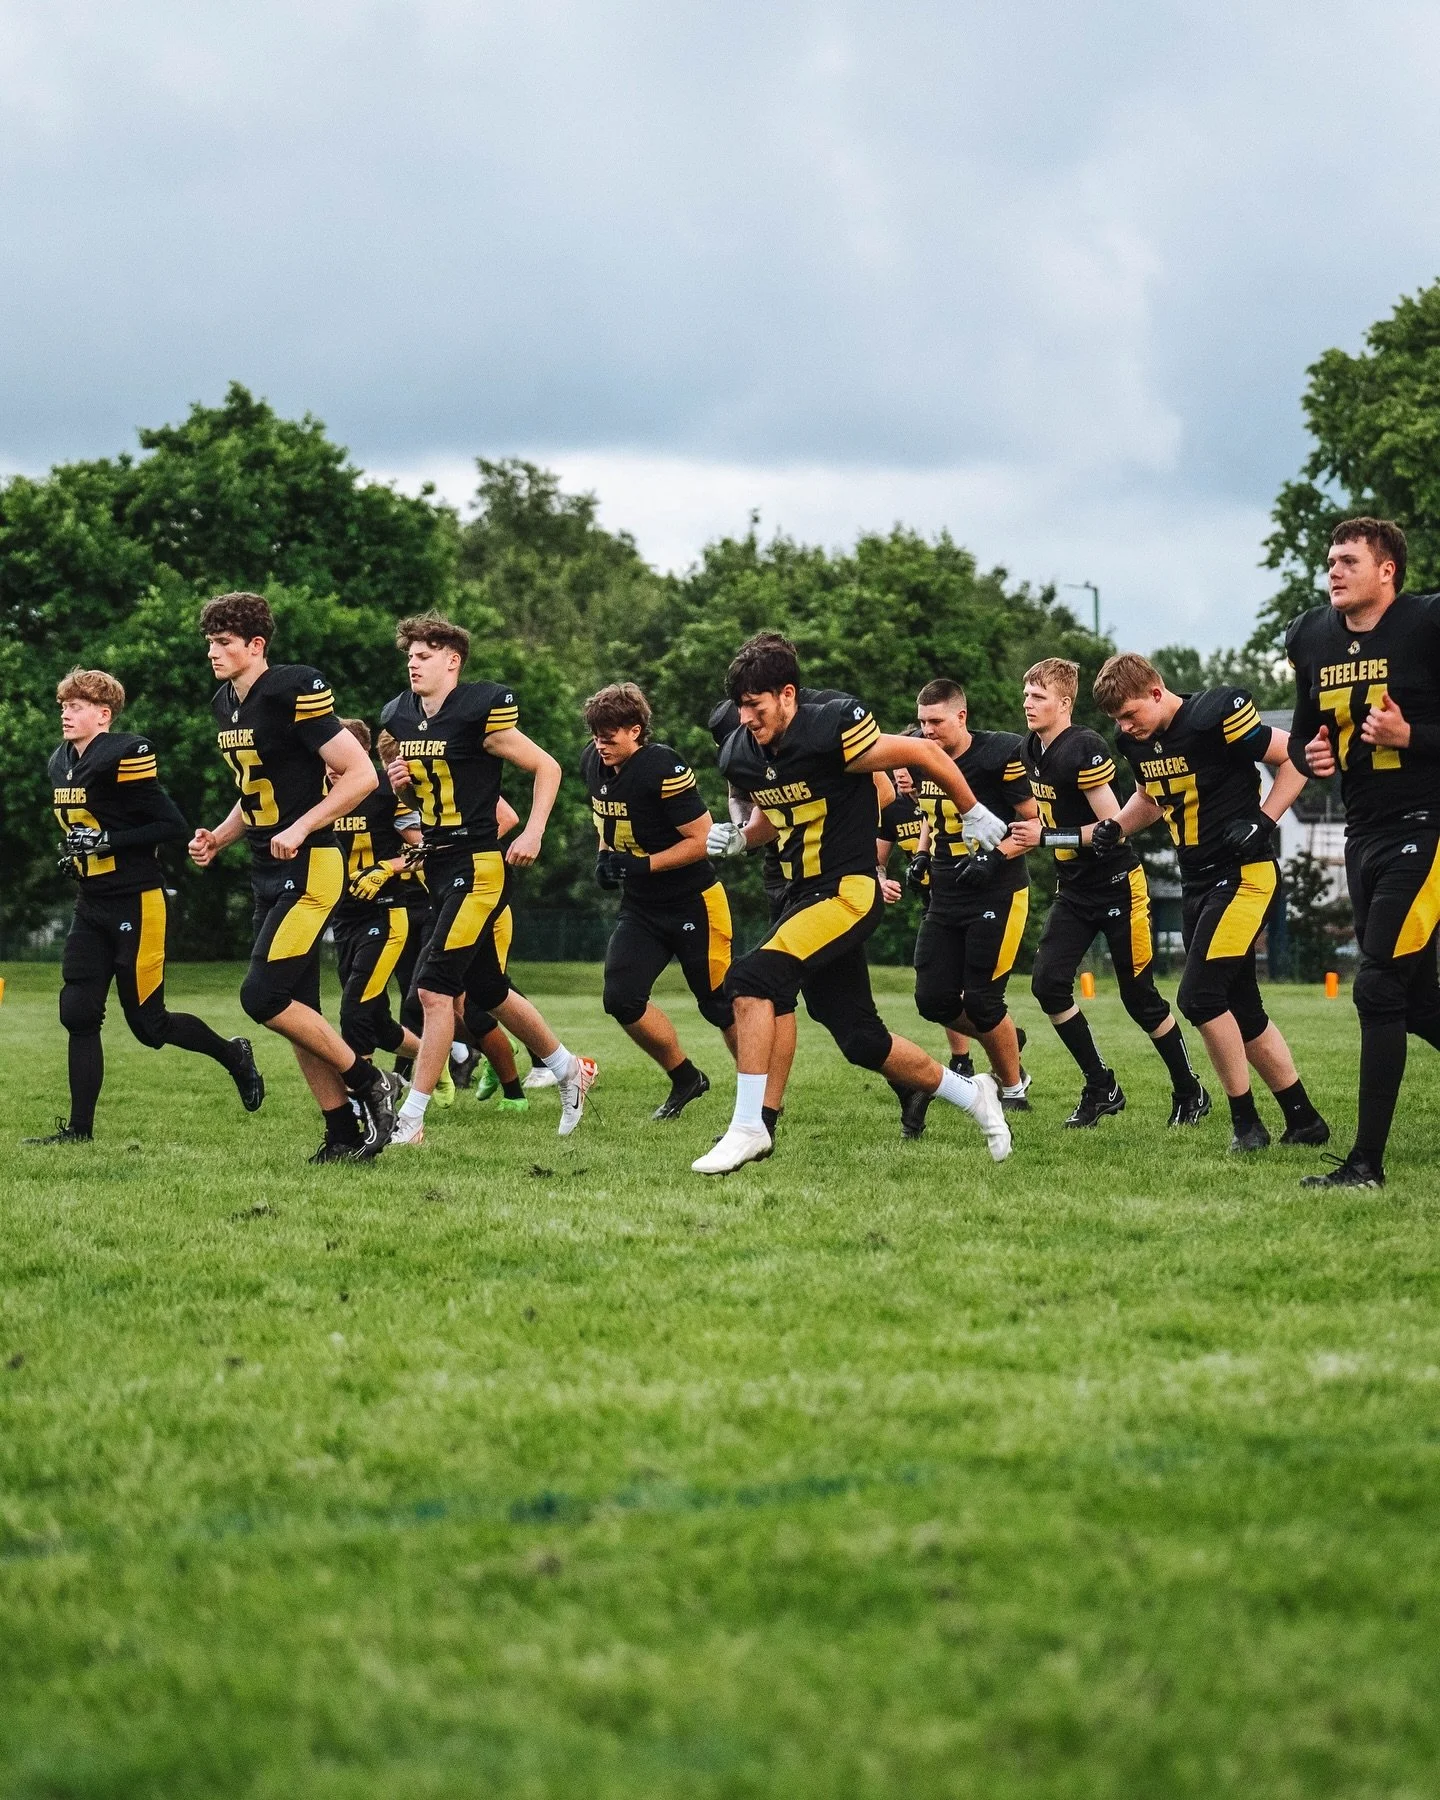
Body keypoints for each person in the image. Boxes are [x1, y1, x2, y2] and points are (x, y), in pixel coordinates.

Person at [695, 634, 1013, 1174]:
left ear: (788, 695)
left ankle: (750, 1126)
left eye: (755, 705)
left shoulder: (832, 727)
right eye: (740, 707)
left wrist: (972, 810)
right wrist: (743, 838)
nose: (746, 718)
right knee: (860, 1038)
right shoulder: (741, 752)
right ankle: (973, 1094)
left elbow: (922, 752)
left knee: (749, 980)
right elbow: (774, 812)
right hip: (801, 895)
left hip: (847, 889)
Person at [188, 593, 402, 1162]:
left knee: (262, 997)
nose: (213, 652)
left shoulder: (291, 688)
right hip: (267, 867)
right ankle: (341, 1132)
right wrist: (219, 836)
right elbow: (256, 790)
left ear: (256, 645)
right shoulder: (224, 703)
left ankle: (371, 1082)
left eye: (224, 642)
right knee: (297, 1010)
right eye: (210, 642)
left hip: (310, 868)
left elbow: (361, 773)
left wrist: (304, 825)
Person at [1095, 653, 1328, 1152]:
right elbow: (1152, 797)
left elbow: (1297, 757)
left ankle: (1246, 1123)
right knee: (1243, 1007)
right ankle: (1305, 1120)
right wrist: (1117, 825)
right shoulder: (1136, 742)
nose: (1125, 727)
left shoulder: (1212, 715)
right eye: (1117, 719)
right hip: (1197, 881)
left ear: (1156, 692)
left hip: (1244, 875)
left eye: (1130, 714)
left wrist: (1265, 820)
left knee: (1200, 998)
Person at [379, 613, 596, 1146]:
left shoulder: (479, 710)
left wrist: (534, 831)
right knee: (489, 989)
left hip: (477, 866)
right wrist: (402, 787)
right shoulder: (400, 716)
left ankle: (411, 1119)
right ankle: (568, 1068)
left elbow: (547, 767)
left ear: (453, 661)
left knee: (432, 990)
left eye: (425, 655)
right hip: (438, 864)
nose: (413, 663)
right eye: (410, 655)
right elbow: (421, 798)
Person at [24, 668, 263, 1145]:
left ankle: (233, 1054)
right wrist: (79, 854)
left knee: (149, 1026)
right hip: (91, 903)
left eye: (76, 706)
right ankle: (79, 1130)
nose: (65, 714)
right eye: (64, 706)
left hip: (136, 901)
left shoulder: (126, 753)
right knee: (78, 1011)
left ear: (103, 715)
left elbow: (171, 825)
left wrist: (106, 842)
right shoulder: (60, 761)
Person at [1286, 517, 1440, 1187]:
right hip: (1363, 830)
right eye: (1330, 560)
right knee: (1419, 1002)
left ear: (1387, 570)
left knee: (1376, 984)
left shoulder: (1426, 625)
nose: (1334, 570)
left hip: (1427, 825)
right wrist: (1310, 756)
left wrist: (1413, 736)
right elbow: (1302, 736)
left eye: (1349, 560)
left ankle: (1365, 1164)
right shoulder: (1312, 636)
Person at [1008, 658, 1206, 1127]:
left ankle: (1189, 1089)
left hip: (1118, 887)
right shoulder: (1029, 749)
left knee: (1140, 999)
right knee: (1047, 985)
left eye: (1038, 696)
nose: (1028, 703)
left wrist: (1046, 837)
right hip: (1074, 890)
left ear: (1064, 703)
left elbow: (1110, 828)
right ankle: (1101, 1087)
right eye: (1026, 694)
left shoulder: (1085, 747)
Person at [582, 682, 736, 1119]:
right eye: (596, 735)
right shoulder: (594, 761)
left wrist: (642, 865)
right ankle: (686, 1077)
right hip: (642, 907)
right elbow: (605, 817)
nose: (600, 744)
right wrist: (604, 857)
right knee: (621, 998)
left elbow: (703, 840)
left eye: (610, 736)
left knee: (719, 1004)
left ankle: (759, 1103)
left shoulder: (661, 766)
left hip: (693, 901)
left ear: (636, 730)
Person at [901, 679, 1036, 1138]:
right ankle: (1004, 1037)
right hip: (946, 890)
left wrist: (995, 858)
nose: (927, 730)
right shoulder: (920, 754)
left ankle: (1013, 1088)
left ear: (961, 716)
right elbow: (929, 812)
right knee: (932, 999)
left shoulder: (999, 753)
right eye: (922, 722)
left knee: (982, 999)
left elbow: (1034, 822)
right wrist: (922, 854)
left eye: (936, 721)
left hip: (997, 890)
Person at [330, 718, 428, 1073]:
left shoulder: (386, 792)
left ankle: (367, 1094)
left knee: (353, 1012)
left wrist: (386, 868)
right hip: (343, 918)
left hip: (384, 914)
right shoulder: (315, 792)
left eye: (340, 755)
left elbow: (427, 851)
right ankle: (437, 1061)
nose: (332, 765)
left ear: (361, 754)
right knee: (377, 1021)